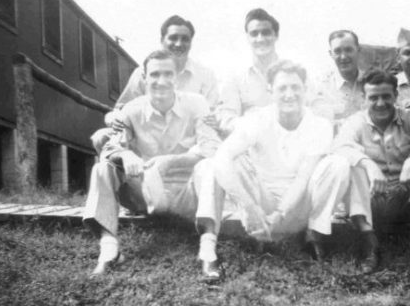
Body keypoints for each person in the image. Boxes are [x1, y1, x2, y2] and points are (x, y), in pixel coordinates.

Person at [208, 60, 362, 267]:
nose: (289, 94)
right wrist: (250, 206)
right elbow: (222, 157)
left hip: (300, 207)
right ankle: (259, 233)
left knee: (338, 164)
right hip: (261, 204)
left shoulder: (320, 125)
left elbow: (303, 178)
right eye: (282, 88)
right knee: (232, 160)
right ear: (271, 91)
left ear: (305, 90)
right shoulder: (257, 119)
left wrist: (280, 214)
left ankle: (313, 234)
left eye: (295, 87)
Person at [82, 50, 221, 278]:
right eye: (155, 74)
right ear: (144, 78)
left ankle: (208, 250)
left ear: (177, 77)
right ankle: (109, 251)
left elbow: (211, 148)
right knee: (102, 168)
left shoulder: (197, 104)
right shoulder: (132, 109)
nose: (162, 81)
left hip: (187, 196)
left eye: (168, 74)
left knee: (210, 167)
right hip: (145, 194)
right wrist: (126, 155)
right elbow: (109, 147)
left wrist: (172, 161)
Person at [333, 69, 410, 272]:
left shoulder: (409, 118)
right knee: (352, 165)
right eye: (373, 97)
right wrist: (368, 163)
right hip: (370, 200)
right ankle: (369, 242)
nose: (380, 103)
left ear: (396, 96)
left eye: (386, 96)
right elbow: (341, 146)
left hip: (403, 197)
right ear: (363, 99)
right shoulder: (355, 122)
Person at [92, 15, 218, 153]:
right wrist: (114, 118)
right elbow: (122, 109)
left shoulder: (205, 75)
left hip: (189, 141)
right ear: (162, 40)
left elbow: (212, 116)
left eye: (185, 39)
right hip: (148, 139)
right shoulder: (143, 72)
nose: (178, 44)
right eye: (173, 38)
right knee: (102, 137)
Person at [216, 8, 281, 136]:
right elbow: (226, 118)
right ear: (247, 37)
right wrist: (257, 127)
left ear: (276, 35)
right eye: (254, 34)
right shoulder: (235, 77)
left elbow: (318, 107)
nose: (260, 39)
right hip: (250, 144)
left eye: (266, 33)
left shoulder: (292, 71)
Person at [310, 30, 366, 127]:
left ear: (359, 50)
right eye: (337, 51)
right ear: (331, 54)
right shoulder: (320, 86)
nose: (343, 57)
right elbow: (318, 124)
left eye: (348, 50)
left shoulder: (373, 81)